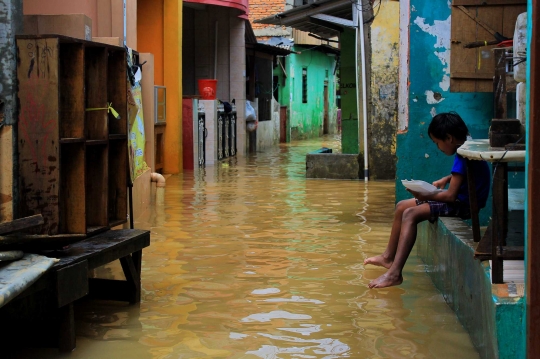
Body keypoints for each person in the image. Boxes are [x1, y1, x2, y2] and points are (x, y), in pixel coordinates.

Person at [364, 112, 491, 288]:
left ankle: (394, 274)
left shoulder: (462, 154)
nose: (438, 147)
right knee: (401, 206)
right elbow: (466, 173)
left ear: (449, 138)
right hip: (462, 199)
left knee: (410, 214)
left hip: (462, 205)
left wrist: (426, 196)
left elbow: (449, 196)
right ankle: (388, 257)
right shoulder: (467, 145)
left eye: (437, 143)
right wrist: (447, 179)